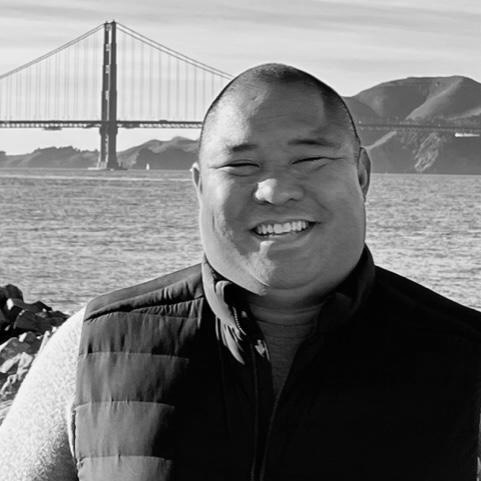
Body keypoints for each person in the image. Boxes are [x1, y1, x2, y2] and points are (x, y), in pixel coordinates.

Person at [0, 63, 480, 481]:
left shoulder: (467, 356)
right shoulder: (92, 348)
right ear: (199, 187)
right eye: (240, 165)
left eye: (309, 159)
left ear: (361, 175)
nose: (274, 190)